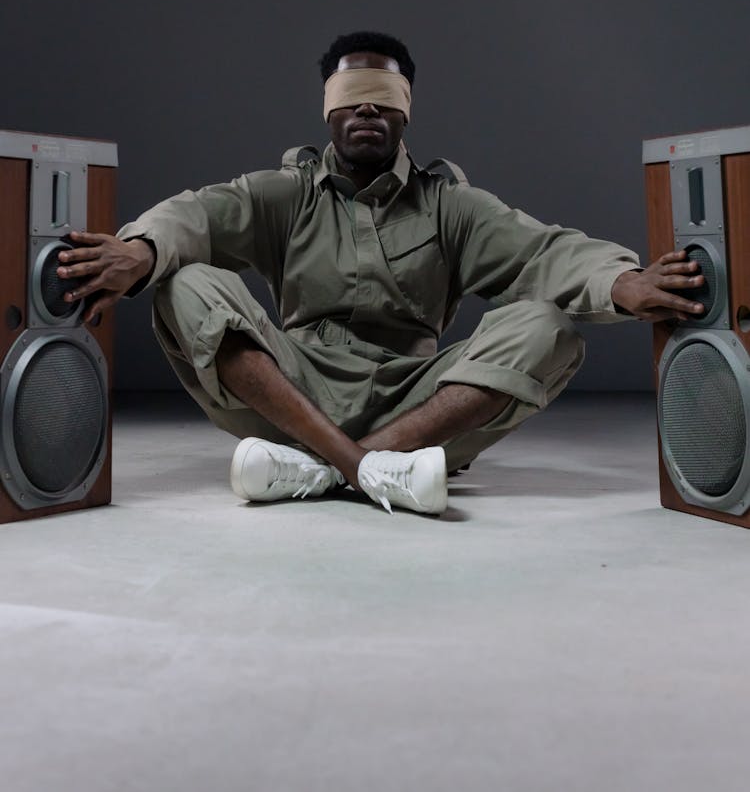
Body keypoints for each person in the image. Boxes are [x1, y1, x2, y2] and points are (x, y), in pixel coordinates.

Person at [56, 32, 705, 515]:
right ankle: (369, 469)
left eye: (383, 99)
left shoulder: (449, 204)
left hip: (417, 400)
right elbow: (196, 213)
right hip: (292, 390)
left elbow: (546, 250)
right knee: (182, 279)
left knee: (549, 325)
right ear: (328, 111)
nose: (367, 111)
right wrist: (140, 250)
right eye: (351, 98)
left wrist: (625, 282)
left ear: (405, 111)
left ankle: (318, 469)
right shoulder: (288, 195)